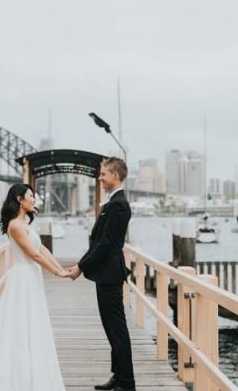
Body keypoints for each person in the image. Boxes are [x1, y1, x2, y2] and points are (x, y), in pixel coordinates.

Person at [0, 183, 67, 391]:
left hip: (31, 276)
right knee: (19, 324)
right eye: (31, 195)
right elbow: (33, 255)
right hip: (23, 277)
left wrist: (62, 268)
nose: (34, 199)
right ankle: (20, 375)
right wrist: (57, 272)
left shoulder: (25, 224)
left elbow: (41, 248)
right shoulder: (15, 226)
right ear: (19, 199)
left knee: (32, 322)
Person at [67, 157, 135, 391]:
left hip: (110, 275)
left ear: (115, 176)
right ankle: (119, 376)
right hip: (105, 275)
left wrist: (80, 267)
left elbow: (105, 243)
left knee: (117, 330)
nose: (100, 178)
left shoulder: (118, 204)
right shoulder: (113, 203)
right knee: (111, 329)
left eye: (104, 174)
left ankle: (126, 383)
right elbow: (101, 241)